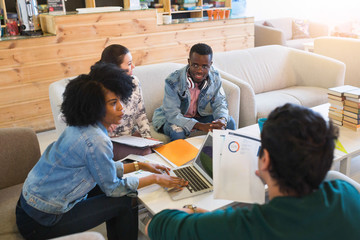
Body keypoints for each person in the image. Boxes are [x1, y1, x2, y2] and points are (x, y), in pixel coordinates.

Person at [15, 63, 188, 240]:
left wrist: (140, 165)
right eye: (113, 103)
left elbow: (101, 169)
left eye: (120, 100)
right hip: (42, 222)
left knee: (121, 186)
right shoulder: (96, 139)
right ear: (94, 106)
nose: (121, 107)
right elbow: (113, 188)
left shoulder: (81, 126)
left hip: (29, 205)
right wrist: (155, 178)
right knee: (126, 200)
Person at [145, 103, 360, 240]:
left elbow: (156, 225)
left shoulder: (244, 226)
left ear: (264, 161)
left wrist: (192, 210)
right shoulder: (348, 194)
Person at [152, 43, 236, 141]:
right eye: (195, 65)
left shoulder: (215, 77)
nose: (200, 71)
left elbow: (220, 103)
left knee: (230, 122)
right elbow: (172, 114)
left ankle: (222, 154)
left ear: (210, 64)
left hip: (198, 116)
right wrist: (200, 126)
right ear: (189, 62)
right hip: (172, 119)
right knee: (177, 132)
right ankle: (181, 157)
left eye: (205, 66)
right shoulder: (172, 81)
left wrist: (222, 119)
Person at [97, 44, 153, 160]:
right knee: (146, 152)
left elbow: (140, 114)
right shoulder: (98, 88)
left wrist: (148, 138)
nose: (133, 66)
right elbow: (69, 116)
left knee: (153, 149)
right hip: (107, 141)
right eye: (128, 64)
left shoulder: (134, 82)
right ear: (115, 68)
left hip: (129, 137)